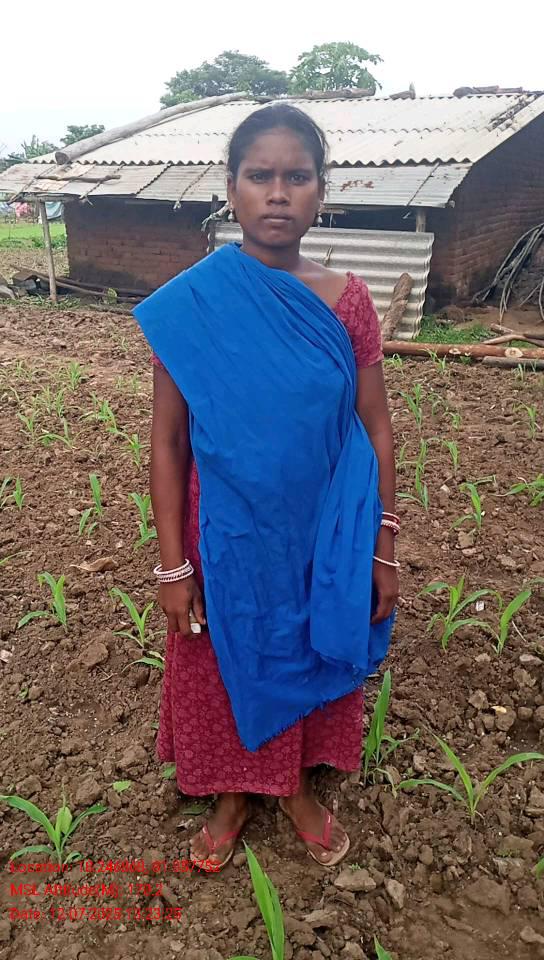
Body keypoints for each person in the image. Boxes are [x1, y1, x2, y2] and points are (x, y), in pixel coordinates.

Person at [134, 103, 398, 872]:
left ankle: (293, 788)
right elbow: (168, 441)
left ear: (322, 192)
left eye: (297, 176)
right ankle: (231, 793)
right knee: (221, 656)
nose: (278, 193)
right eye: (259, 176)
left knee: (306, 651)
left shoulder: (348, 302)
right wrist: (173, 566)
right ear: (231, 189)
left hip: (323, 534)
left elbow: (376, 427)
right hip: (227, 533)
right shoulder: (194, 305)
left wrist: (382, 545)